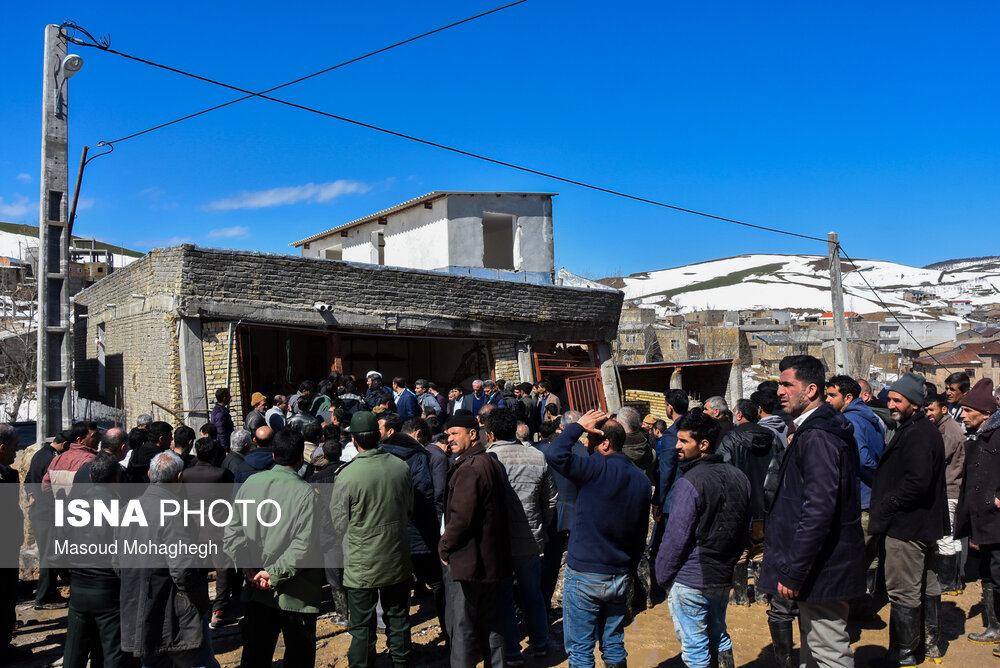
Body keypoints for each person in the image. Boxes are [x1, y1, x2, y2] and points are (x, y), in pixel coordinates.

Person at [759, 355, 864, 668]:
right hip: (818, 566)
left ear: (811, 389)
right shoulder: (812, 430)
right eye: (780, 384)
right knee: (813, 652)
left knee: (829, 653)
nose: (780, 392)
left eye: (787, 385)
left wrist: (794, 570)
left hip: (823, 569)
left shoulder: (818, 436)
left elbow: (818, 509)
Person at [544, 410, 651, 668]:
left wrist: (578, 426)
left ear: (605, 443)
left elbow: (554, 454)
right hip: (619, 573)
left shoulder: (594, 467)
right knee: (613, 643)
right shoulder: (641, 479)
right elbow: (639, 535)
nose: (585, 445)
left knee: (581, 651)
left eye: (590, 441)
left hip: (585, 573)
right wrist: (630, 569)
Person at [657, 409, 750, 668]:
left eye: (684, 441)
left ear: (704, 444)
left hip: (691, 578)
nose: (677, 446)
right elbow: (745, 528)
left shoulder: (690, 482)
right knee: (719, 635)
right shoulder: (739, 477)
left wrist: (663, 577)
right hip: (721, 576)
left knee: (695, 647)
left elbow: (675, 538)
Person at [869, 371, 949, 667]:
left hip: (908, 527)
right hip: (923, 525)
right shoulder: (919, 429)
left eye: (897, 400)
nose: (890, 404)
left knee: (903, 592)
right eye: (889, 398)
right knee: (925, 587)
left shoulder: (916, 434)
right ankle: (926, 646)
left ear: (914, 404)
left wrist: (890, 504)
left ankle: (902, 655)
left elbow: (918, 481)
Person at [224, 429, 323, 668]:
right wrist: (274, 573)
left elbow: (232, 533)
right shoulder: (307, 494)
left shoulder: (251, 484)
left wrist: (247, 566)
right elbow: (304, 546)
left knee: (255, 655)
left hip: (256, 588)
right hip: (296, 595)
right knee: (299, 657)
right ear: (302, 457)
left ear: (274, 454)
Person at [120, 452, 219, 668]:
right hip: (174, 610)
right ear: (179, 478)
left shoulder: (128, 508)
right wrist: (201, 600)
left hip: (139, 605)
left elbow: (117, 562)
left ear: (149, 474)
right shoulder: (174, 511)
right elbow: (183, 570)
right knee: (198, 662)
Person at [333, 411, 414, 668]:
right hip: (396, 557)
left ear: (354, 440)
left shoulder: (347, 475)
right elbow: (408, 508)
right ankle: (401, 662)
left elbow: (337, 523)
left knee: (361, 625)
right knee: (398, 617)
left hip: (361, 563)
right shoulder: (401, 466)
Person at [483, 407, 557, 664]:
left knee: (503, 596)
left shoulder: (487, 458)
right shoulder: (536, 456)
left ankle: (512, 652)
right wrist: (540, 526)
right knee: (532, 594)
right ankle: (540, 644)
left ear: (489, 433)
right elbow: (550, 501)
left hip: (499, 542)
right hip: (530, 538)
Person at [440, 414, 511, 667]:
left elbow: (461, 519)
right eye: (448, 435)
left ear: (473, 434)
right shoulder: (488, 462)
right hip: (488, 560)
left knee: (463, 627)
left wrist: (445, 547)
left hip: (468, 561)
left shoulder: (471, 468)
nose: (450, 439)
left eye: (455, 433)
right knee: (491, 623)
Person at [378, 412, 446, 642]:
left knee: (396, 594)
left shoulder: (381, 453)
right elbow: (426, 491)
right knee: (439, 584)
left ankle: (399, 646)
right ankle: (450, 636)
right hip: (419, 534)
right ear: (418, 435)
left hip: (389, 536)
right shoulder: (418, 455)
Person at [62, 452, 129, 668]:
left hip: (78, 586)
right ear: (116, 480)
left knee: (74, 650)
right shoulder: (123, 509)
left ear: (91, 476)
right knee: (113, 652)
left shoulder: (71, 506)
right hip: (108, 587)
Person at [825, 374, 886, 606]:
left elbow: (862, 460)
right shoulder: (873, 418)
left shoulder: (851, 421)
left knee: (852, 557)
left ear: (848, 397)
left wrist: (875, 478)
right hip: (873, 498)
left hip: (861, 499)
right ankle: (864, 604)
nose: (828, 400)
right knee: (869, 556)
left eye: (832, 395)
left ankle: (851, 606)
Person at [718, 397, 782, 607]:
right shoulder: (772, 438)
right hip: (766, 505)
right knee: (761, 550)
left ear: (738, 415)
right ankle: (763, 596)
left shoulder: (730, 439)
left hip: (740, 505)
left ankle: (741, 596)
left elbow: (724, 473)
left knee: (739, 552)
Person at [954, 378, 1000, 653]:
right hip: (982, 520)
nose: (963, 415)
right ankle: (995, 627)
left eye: (969, 411)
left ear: (986, 413)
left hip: (997, 519)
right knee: (987, 573)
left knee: (999, 572)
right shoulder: (978, 437)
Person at [536, 411, 586, 611]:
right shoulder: (585, 452)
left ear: (562, 428)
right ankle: (578, 605)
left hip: (554, 513)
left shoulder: (548, 451)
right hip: (578, 513)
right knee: (578, 563)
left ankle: (544, 605)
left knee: (550, 563)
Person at [924, 392, 967, 596]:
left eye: (931, 410)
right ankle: (956, 580)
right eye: (926, 410)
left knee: (946, 537)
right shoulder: (946, 427)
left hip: (949, 489)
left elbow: (937, 458)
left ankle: (949, 582)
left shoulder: (948, 432)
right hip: (953, 488)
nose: (928, 414)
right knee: (953, 536)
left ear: (943, 409)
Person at [650, 389, 688, 600]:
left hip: (673, 499)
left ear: (670, 407)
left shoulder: (672, 435)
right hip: (695, 496)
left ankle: (659, 591)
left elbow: (665, 472)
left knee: (662, 546)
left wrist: (657, 501)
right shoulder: (697, 429)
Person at [26, 431, 70, 610]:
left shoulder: (40, 454)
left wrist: (30, 494)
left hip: (39, 513)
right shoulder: (52, 459)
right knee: (48, 556)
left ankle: (50, 593)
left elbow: (29, 478)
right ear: (65, 445)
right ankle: (43, 598)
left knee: (49, 554)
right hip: (47, 514)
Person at [0, 424, 27, 662]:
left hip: (8, 546)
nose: (16, 452)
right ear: (2, 448)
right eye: (14, 448)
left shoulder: (8, 473)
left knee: (8, 595)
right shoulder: (5, 475)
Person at [42, 421, 99, 500]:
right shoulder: (90, 460)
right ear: (80, 440)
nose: (99, 439)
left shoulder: (57, 459)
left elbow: (45, 487)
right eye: (94, 436)